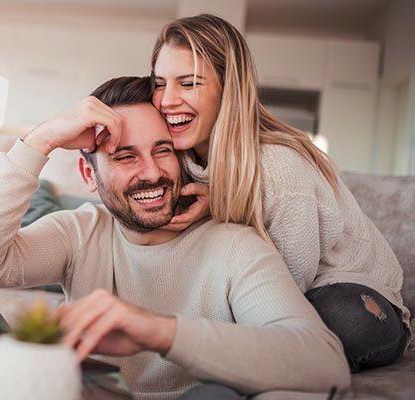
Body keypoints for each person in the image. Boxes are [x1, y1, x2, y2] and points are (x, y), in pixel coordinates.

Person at [0, 76, 350, 399]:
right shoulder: (80, 231)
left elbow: (325, 363)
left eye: (163, 150)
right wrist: (39, 141)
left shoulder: (235, 246)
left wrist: (156, 331)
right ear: (88, 176)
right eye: (125, 157)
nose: (152, 173)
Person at [149, 13, 411, 372]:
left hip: (351, 292)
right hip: (272, 298)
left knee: (340, 321)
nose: (167, 100)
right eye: (159, 83)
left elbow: (287, 289)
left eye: (189, 83)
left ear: (229, 89)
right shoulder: (179, 159)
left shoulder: (278, 165)